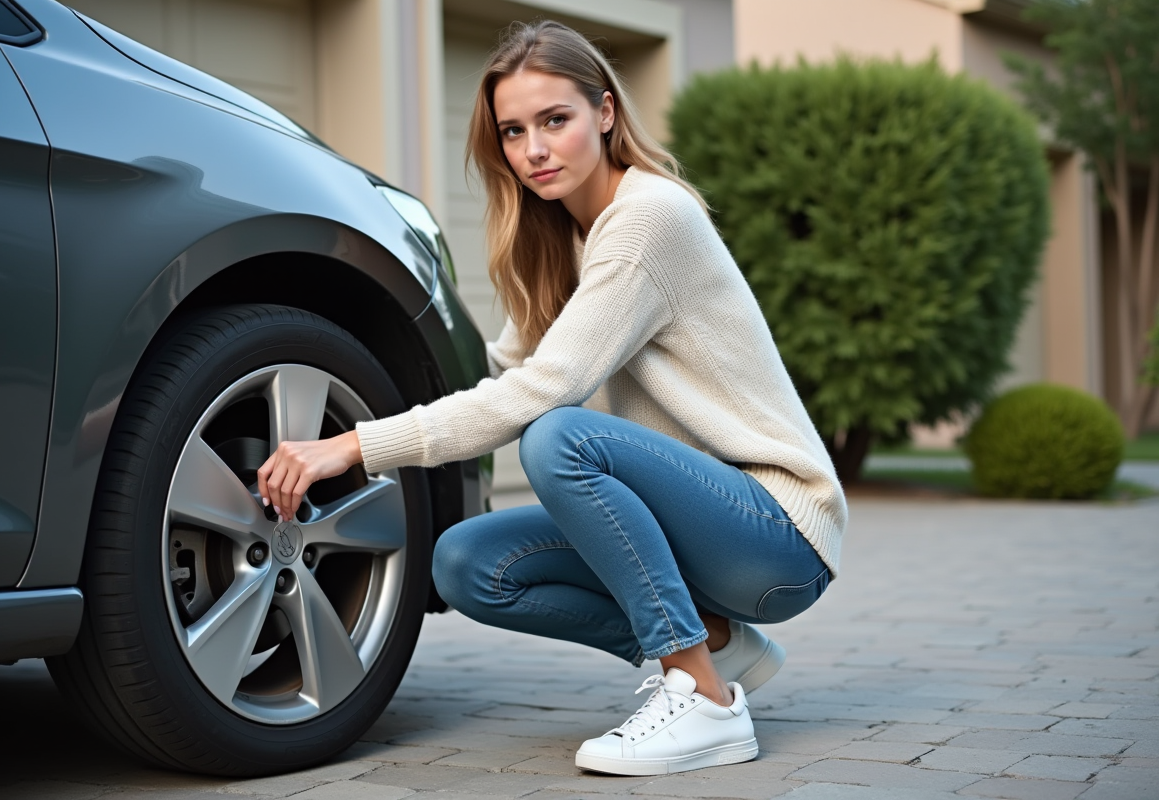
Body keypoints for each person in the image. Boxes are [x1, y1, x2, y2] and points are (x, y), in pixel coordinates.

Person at [256, 19, 846, 777]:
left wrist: (352, 445)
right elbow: (498, 380)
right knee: (467, 563)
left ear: (605, 113)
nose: (533, 148)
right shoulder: (561, 240)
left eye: (555, 120)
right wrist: (363, 408)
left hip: (776, 533)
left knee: (559, 437)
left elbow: (539, 395)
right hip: (705, 536)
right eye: (513, 131)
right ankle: (715, 643)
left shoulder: (647, 219)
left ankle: (703, 698)